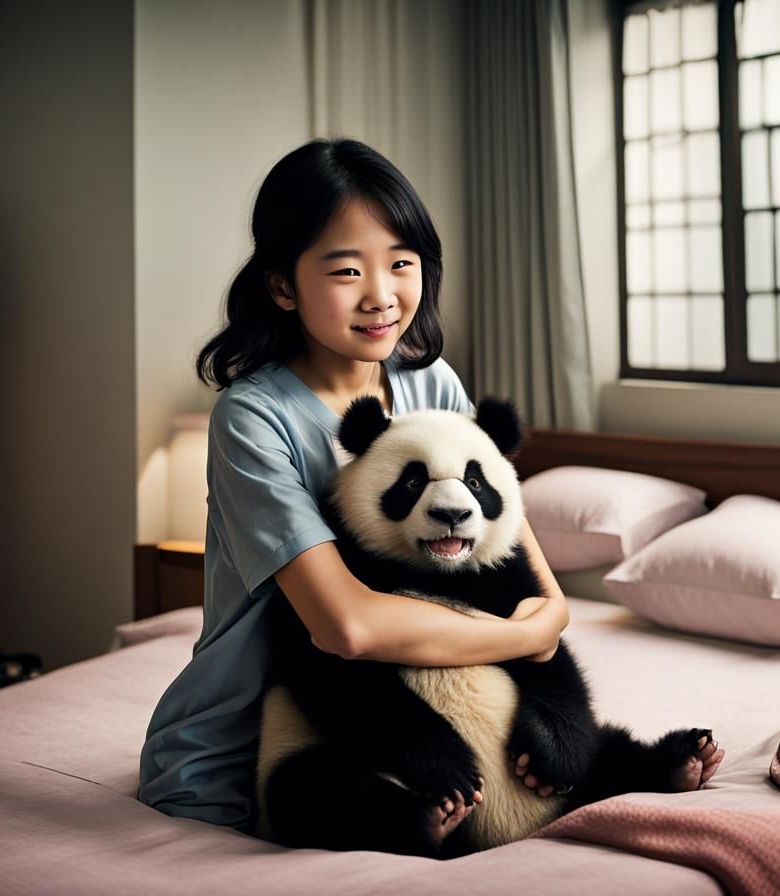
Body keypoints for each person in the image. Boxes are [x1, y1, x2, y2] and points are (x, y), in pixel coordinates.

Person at [138, 138, 570, 844]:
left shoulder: (433, 386)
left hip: (413, 735)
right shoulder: (253, 417)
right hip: (255, 749)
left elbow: (516, 558)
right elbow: (345, 627)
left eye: (402, 263)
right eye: (346, 270)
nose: (382, 294)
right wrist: (525, 634)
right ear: (282, 286)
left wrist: (544, 617)